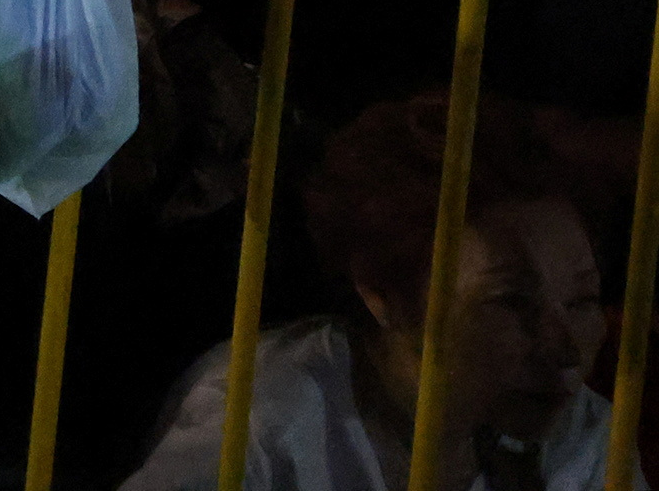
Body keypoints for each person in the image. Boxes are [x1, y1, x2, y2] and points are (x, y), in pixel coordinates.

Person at [119, 91, 631, 491]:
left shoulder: (579, 433)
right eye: (512, 302)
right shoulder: (260, 426)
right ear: (382, 292)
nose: (567, 351)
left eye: (584, 301)